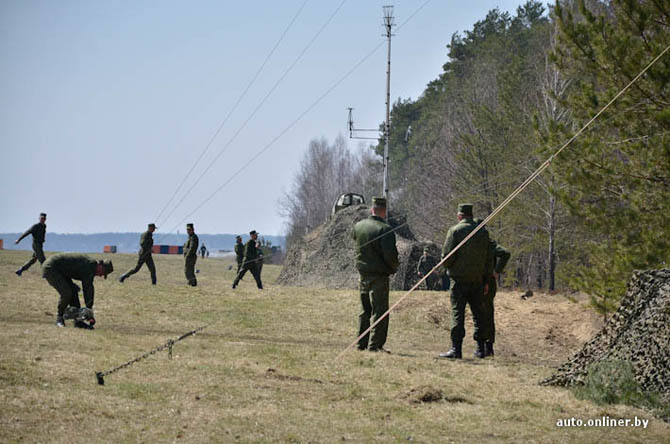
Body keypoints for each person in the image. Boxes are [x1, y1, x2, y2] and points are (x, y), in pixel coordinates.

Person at [438, 203, 490, 359]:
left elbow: (447, 258)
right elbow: (489, 259)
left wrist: (448, 267)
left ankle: (456, 349)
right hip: (478, 280)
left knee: (457, 313)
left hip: (459, 280)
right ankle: (481, 349)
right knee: (478, 314)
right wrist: (486, 280)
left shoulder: (455, 231)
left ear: (459, 216)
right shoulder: (482, 232)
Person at [352, 197, 399, 352]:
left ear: (372, 209)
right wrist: (394, 269)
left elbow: (355, 240)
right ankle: (375, 345)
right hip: (379, 276)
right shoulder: (385, 230)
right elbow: (390, 256)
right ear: (384, 211)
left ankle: (361, 343)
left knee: (365, 310)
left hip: (363, 274)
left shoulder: (358, 226)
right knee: (379, 310)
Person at [42, 253, 113, 328]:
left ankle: (78, 321)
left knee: (73, 291)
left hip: (61, 271)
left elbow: (88, 288)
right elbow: (88, 288)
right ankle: (59, 318)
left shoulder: (91, 266)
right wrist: (89, 309)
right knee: (66, 292)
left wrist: (89, 311)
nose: (101, 275)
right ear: (101, 266)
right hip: (51, 268)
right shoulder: (89, 266)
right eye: (103, 273)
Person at [482, 238, 511, 357]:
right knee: (483, 313)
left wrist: (497, 271)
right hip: (477, 280)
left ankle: (487, 346)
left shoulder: (487, 243)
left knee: (486, 313)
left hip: (487, 280)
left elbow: (505, 253)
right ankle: (483, 346)